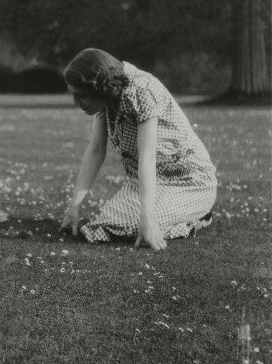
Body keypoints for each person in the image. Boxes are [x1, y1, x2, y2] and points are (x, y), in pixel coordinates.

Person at [60, 48, 217, 250]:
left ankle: (199, 216)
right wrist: (74, 207)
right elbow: (96, 149)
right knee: (108, 223)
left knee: (136, 224)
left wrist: (147, 218)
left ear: (100, 88)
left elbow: (148, 156)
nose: (76, 103)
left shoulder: (143, 90)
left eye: (81, 96)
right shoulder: (107, 99)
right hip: (144, 183)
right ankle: (157, 218)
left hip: (189, 182)